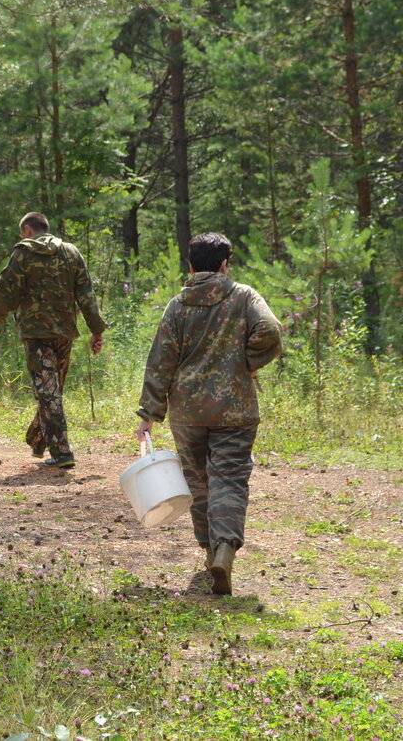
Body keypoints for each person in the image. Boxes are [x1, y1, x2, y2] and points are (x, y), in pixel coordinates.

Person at [133, 232, 282, 594]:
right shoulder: (244, 296)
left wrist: (149, 413)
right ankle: (224, 550)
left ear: (190, 265)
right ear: (225, 264)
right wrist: (249, 361)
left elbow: (160, 361)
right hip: (235, 409)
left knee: (198, 482)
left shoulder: (177, 306)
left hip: (188, 411)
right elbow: (271, 330)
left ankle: (207, 550)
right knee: (229, 478)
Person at [0, 212, 108, 469]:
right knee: (51, 391)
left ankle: (62, 453)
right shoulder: (71, 252)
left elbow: (6, 290)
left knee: (48, 393)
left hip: (36, 334)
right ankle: (38, 441)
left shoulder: (23, 253)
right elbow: (86, 293)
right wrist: (96, 329)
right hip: (64, 333)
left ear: (28, 229)